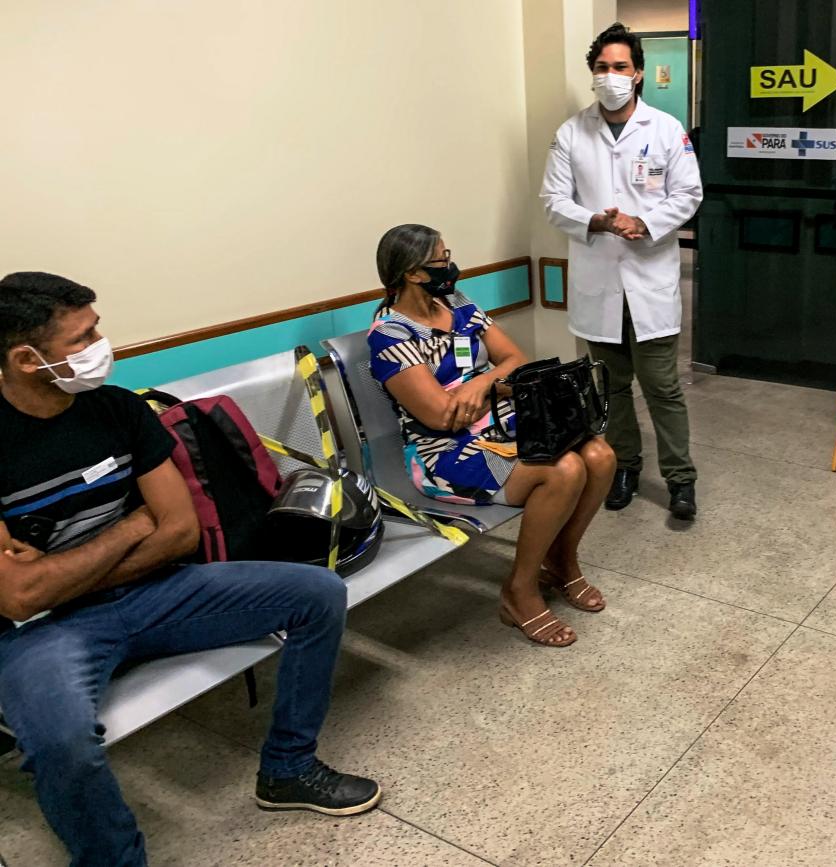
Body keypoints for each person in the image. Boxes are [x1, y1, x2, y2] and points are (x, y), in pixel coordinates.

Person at [0, 273, 380, 867]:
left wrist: (58, 573)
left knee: (318, 593)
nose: (101, 345)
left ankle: (287, 768)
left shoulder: (118, 409)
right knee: (61, 742)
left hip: (158, 592)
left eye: (96, 328)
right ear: (27, 359)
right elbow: (21, 598)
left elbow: (179, 529)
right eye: (82, 337)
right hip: (48, 631)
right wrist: (135, 526)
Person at [366, 225, 615, 648]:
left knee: (600, 456)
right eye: (441, 260)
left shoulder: (459, 304)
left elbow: (516, 358)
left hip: (502, 423)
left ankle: (561, 559)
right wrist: (496, 386)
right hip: (444, 453)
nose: (451, 266)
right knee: (564, 470)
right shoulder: (390, 334)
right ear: (413, 273)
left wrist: (481, 385)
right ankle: (519, 590)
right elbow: (441, 417)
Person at [540, 22, 704, 520]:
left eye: (620, 67)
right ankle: (624, 468)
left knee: (662, 387)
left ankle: (680, 479)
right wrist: (596, 220)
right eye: (601, 67)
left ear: (638, 74)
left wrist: (644, 223)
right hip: (598, 281)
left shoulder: (666, 129)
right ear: (592, 74)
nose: (610, 75)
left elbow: (689, 194)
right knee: (611, 389)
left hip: (649, 279)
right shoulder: (571, 132)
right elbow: (553, 200)